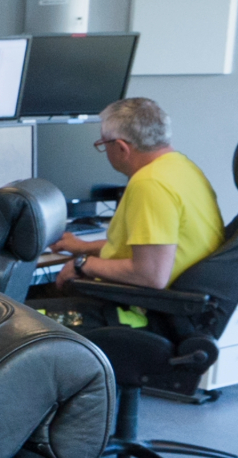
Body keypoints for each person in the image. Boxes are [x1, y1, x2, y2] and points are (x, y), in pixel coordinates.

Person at [47, 96, 224, 327]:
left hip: (139, 315)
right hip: (174, 309)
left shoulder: (149, 184)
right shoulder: (183, 168)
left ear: (121, 148)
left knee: (28, 320)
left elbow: (151, 274)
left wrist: (82, 264)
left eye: (103, 144)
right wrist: (82, 247)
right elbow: (147, 250)